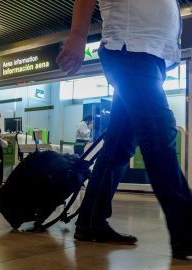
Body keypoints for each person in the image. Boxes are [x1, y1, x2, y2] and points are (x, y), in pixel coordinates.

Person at [56, 0, 192, 259]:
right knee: (159, 132)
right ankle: (186, 231)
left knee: (119, 146)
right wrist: (76, 37)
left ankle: (91, 221)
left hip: (151, 56)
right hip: (130, 48)